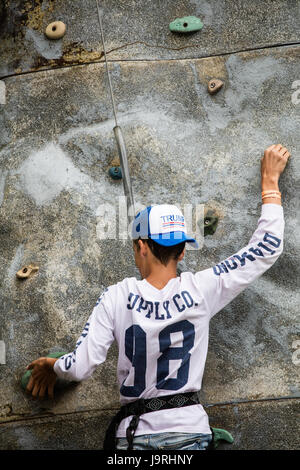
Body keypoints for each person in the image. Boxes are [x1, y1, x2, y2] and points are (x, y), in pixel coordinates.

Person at [26, 144, 290, 451]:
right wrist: (270, 184)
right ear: (181, 250)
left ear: (141, 247)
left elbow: (80, 367)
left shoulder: (116, 297)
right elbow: (265, 249)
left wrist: (54, 366)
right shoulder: (203, 288)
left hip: (135, 438)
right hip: (190, 433)